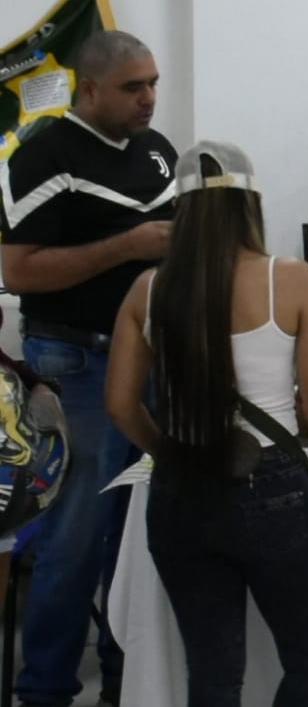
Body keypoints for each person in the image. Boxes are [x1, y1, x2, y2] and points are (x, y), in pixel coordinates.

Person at [105, 141, 308, 706]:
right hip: (276, 487)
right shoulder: (291, 280)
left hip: (182, 491)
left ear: (179, 214)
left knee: (213, 674)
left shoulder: (149, 290)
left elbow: (120, 404)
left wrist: (167, 453)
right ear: (250, 205)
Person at [0, 30, 174, 707]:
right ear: (89, 88)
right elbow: (20, 269)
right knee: (75, 540)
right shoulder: (47, 154)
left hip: (151, 359)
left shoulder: (158, 153)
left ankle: (126, 679)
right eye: (134, 87)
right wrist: (128, 244)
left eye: (154, 83)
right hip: (76, 359)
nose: (149, 99)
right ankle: (44, 688)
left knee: (139, 533)